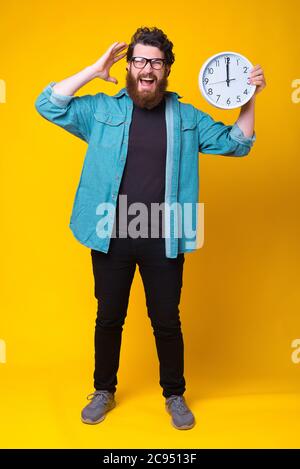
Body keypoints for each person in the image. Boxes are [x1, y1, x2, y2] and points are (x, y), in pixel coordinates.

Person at [35, 26, 266, 430]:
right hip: (110, 233)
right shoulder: (102, 111)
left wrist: (247, 100)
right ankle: (103, 390)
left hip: (165, 234)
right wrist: (93, 69)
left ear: (167, 69)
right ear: (129, 67)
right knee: (109, 316)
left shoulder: (187, 117)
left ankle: (174, 395)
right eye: (139, 60)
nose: (147, 68)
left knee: (166, 320)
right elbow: (48, 104)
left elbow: (239, 143)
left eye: (156, 62)